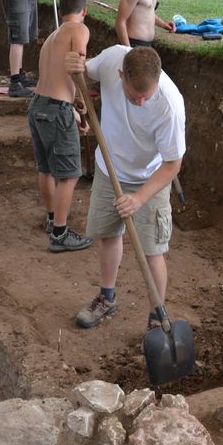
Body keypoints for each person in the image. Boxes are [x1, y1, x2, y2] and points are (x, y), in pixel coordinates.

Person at [63, 46, 185, 329]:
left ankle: (157, 315)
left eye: (147, 96)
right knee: (107, 235)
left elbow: (172, 165)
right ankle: (107, 298)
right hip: (110, 167)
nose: (141, 102)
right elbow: (84, 70)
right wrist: (74, 66)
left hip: (150, 178)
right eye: (134, 96)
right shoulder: (111, 60)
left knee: (152, 250)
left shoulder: (170, 105)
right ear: (120, 75)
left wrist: (139, 198)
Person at [30, 0, 95, 253]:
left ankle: (51, 218)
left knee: (45, 168)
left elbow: (59, 77)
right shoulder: (79, 29)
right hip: (56, 109)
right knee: (69, 175)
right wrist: (82, 102)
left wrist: (77, 108)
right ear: (84, 11)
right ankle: (60, 233)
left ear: (60, 11)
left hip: (38, 106)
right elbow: (76, 63)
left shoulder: (52, 38)